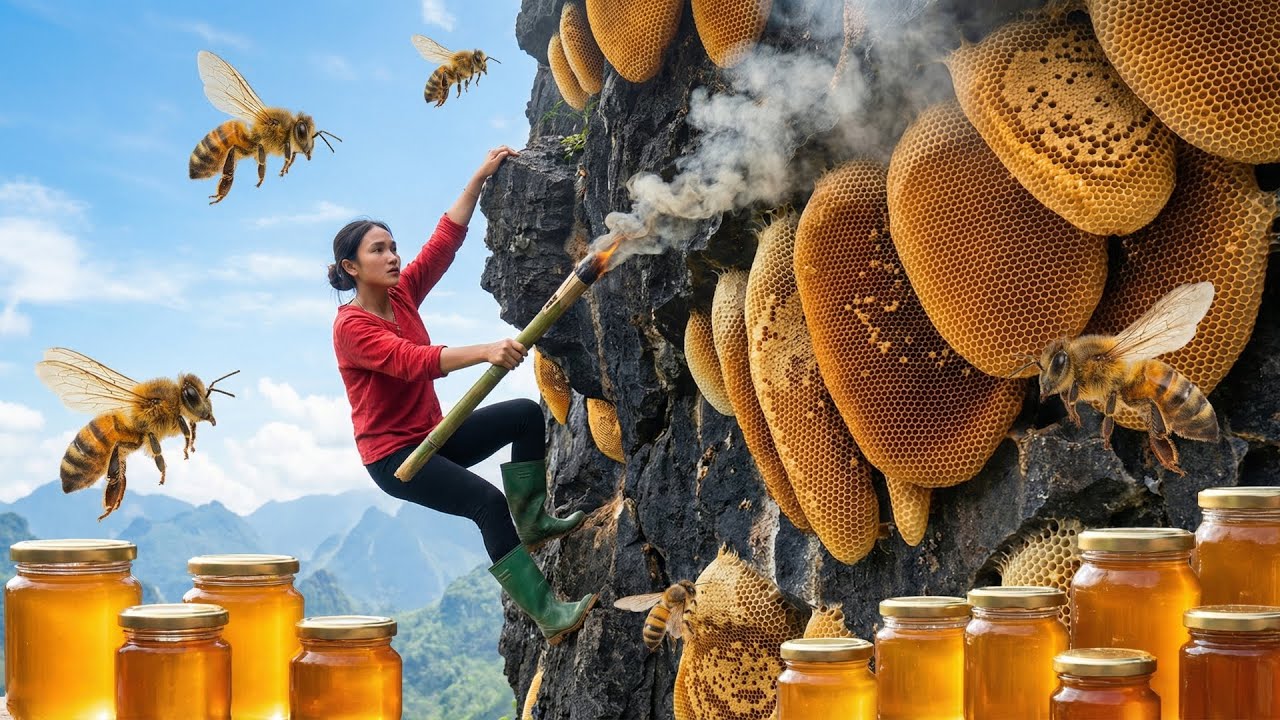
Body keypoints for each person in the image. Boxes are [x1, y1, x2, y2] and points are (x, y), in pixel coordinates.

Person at [327, 146, 595, 645]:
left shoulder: (401, 293)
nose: (392, 256)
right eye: (377, 250)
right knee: (487, 505)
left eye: (392, 246)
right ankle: (550, 617)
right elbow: (412, 361)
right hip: (396, 458)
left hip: (434, 436)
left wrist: (477, 178)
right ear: (351, 267)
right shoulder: (352, 327)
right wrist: (487, 351)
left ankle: (533, 520)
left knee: (521, 415)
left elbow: (443, 243)